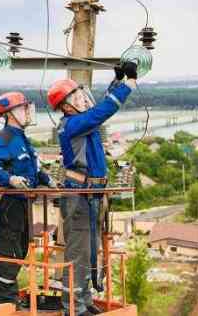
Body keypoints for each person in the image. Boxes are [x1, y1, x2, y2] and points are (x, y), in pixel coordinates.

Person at [47, 61, 138, 316]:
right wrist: (129, 84)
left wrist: (116, 83)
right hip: (79, 196)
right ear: (66, 105)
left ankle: (83, 302)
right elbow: (102, 111)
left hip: (89, 196)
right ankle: (73, 308)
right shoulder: (71, 125)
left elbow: (96, 109)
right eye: (76, 96)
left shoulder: (81, 122)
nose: (83, 99)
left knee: (88, 252)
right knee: (79, 253)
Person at [0, 91, 56, 306]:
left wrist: (48, 180)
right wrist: (10, 179)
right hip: (7, 202)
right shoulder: (3, 139)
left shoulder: (23, 140)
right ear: (10, 113)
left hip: (22, 202)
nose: (28, 112)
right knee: (8, 250)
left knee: (21, 247)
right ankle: (4, 299)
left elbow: (33, 169)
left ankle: (5, 297)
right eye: (24, 108)